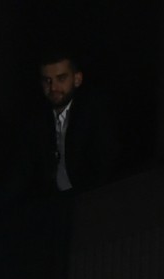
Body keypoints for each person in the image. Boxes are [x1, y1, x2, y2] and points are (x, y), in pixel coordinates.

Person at [29, 46, 119, 193]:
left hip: (91, 196)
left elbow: (105, 163)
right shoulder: (38, 118)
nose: (53, 87)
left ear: (77, 79)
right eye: (47, 80)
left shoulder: (94, 112)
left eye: (61, 78)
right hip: (54, 199)